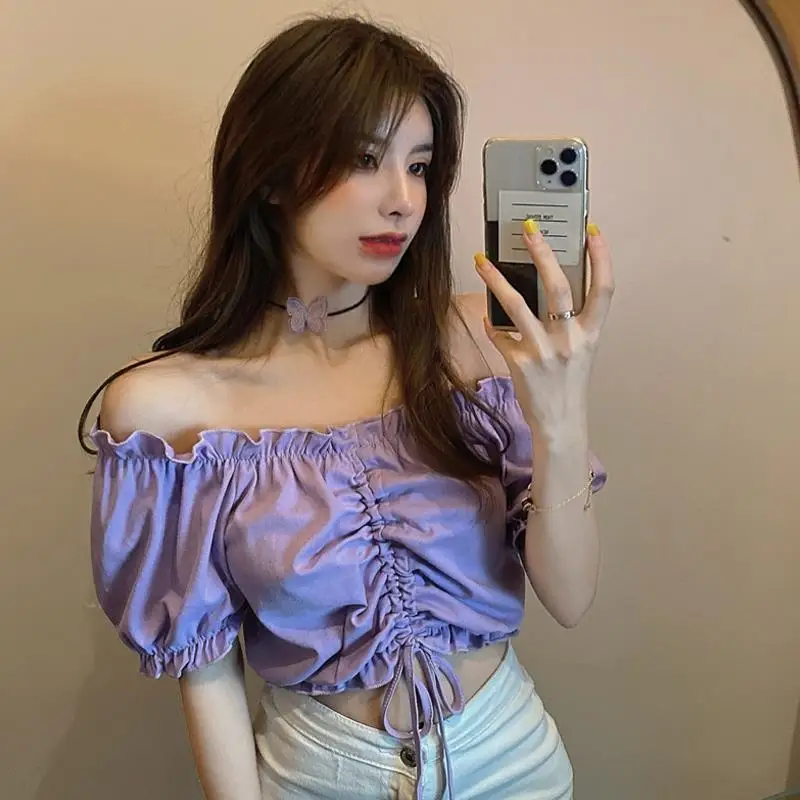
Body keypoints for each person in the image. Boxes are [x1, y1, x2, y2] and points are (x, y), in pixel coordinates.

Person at [78, 13, 613, 800]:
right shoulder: (165, 412)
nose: (403, 201)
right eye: (366, 160)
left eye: (420, 166)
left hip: (512, 761)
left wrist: (559, 414)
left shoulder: (474, 340)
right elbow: (206, 671)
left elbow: (570, 597)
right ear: (269, 174)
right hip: (323, 774)